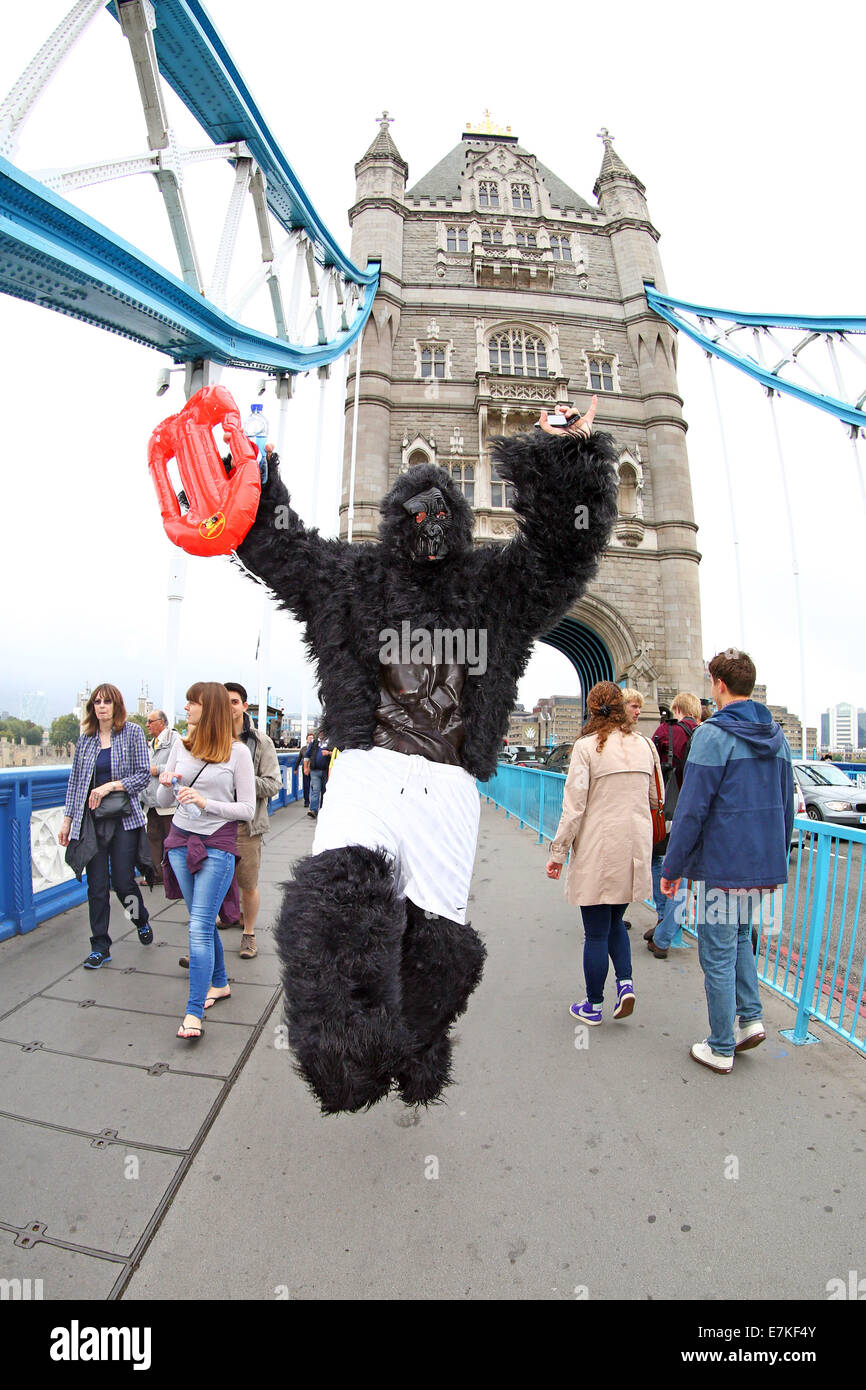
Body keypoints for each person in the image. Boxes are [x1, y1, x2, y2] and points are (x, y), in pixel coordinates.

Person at [659, 649, 794, 1072]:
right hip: (760, 863)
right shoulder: (777, 735)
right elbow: (786, 804)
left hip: (723, 863)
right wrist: (776, 854)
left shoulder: (712, 735)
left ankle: (720, 1046)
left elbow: (692, 810)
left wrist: (672, 869)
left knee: (716, 952)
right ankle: (750, 1019)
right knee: (739, 939)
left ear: (717, 684)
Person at [545, 682, 663, 1024]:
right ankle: (625, 985)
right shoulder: (645, 746)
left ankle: (593, 1005)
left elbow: (574, 809)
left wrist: (557, 853)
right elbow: (657, 800)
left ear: (594, 709)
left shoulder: (585, 748)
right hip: (635, 848)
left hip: (600, 847)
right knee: (614, 921)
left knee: (595, 931)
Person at [158, 682, 255, 1040]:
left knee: (199, 926)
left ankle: (193, 1012)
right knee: (199, 920)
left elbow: (245, 808)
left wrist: (205, 803)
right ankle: (220, 982)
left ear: (208, 708)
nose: (186, 709)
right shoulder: (181, 746)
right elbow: (160, 795)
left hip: (217, 843)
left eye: (192, 703)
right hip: (180, 840)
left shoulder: (238, 753)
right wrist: (168, 782)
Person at [58, 684, 152, 968]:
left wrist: (111, 786)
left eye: (107, 702)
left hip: (124, 820)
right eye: (97, 702)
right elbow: (75, 784)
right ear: (92, 708)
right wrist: (67, 820)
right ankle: (100, 945)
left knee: (123, 883)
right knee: (96, 886)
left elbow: (143, 775)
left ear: (116, 706)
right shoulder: (86, 739)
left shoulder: (133, 733)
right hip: (93, 823)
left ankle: (140, 919)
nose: (101, 706)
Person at [224, 682, 282, 961]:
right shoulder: (211, 737)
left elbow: (273, 784)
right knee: (211, 881)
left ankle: (249, 934)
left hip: (245, 826)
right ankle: (221, 923)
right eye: (223, 702)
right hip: (213, 822)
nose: (229, 707)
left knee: (247, 882)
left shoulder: (261, 742)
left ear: (244, 706)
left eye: (234, 702)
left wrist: (242, 782)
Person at [646, 692, 701, 959]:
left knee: (660, 862)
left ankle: (663, 931)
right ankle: (664, 929)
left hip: (665, 808)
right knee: (683, 874)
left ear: (676, 708)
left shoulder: (666, 731)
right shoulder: (702, 734)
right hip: (694, 811)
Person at [141, 709, 179, 885]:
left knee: (171, 841)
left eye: (150, 721)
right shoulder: (151, 743)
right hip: (151, 800)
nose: (147, 725)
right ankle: (156, 875)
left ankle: (175, 877)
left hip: (168, 800)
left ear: (161, 722)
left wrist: (157, 770)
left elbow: (180, 765)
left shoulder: (175, 740)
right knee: (153, 837)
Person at [305, 728, 331, 818]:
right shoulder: (314, 743)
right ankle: (313, 810)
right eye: (320, 732)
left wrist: (328, 753)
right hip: (315, 770)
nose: (321, 734)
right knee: (315, 790)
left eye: (323, 732)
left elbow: (337, 754)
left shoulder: (331, 742)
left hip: (326, 770)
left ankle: (323, 809)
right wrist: (305, 767)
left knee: (325, 791)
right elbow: (307, 755)